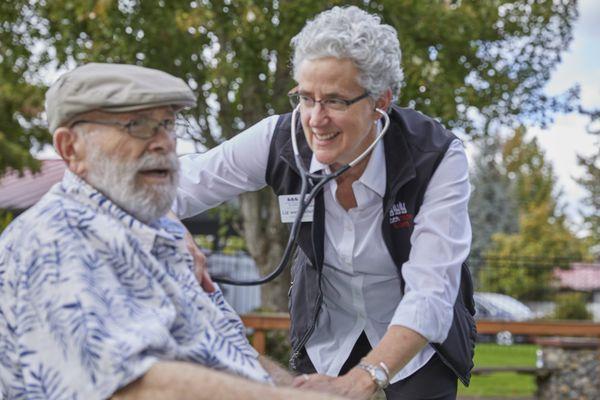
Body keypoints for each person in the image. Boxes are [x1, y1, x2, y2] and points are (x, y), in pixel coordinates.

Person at [175, 6, 476, 400]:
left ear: (380, 103)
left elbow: (432, 292)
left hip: (414, 337)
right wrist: (170, 227)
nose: (316, 119)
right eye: (305, 97)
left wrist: (365, 378)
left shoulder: (436, 156)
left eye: (335, 101)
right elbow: (174, 186)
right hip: (328, 329)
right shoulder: (278, 140)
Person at [0, 63, 345, 400]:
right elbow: (129, 386)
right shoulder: (50, 242)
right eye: (136, 125)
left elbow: (224, 348)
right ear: (70, 148)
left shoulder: (158, 228)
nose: (163, 142)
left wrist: (290, 385)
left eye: (167, 123)